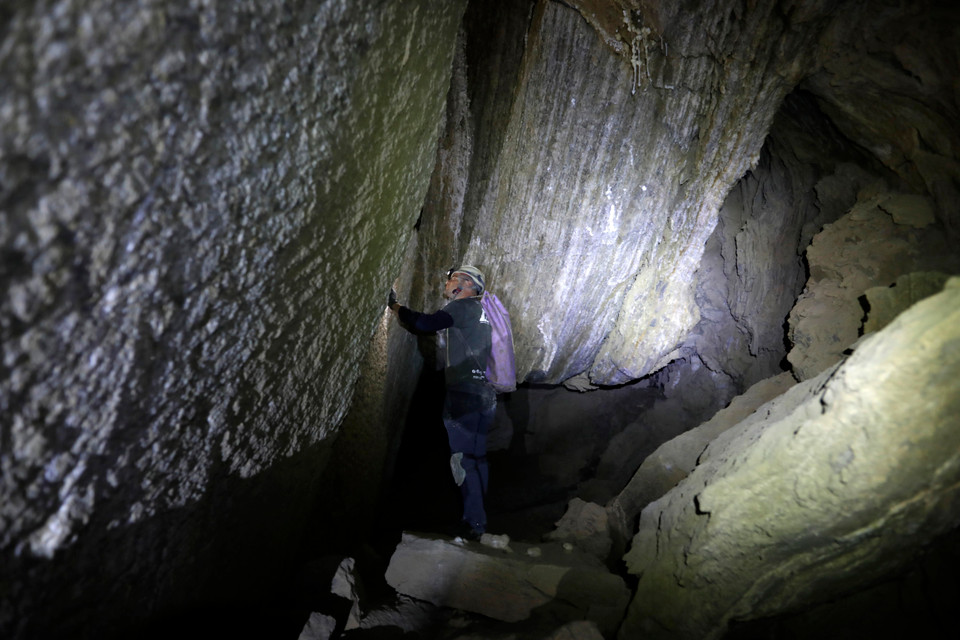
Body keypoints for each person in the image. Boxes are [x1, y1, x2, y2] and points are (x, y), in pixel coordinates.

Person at [388, 266, 495, 540]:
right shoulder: (484, 314)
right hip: (484, 395)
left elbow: (425, 324)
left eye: (452, 279)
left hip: (463, 395)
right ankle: (479, 521)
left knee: (462, 459)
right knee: (477, 459)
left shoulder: (463, 307)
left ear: (465, 284)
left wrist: (395, 305)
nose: (447, 284)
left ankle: (473, 523)